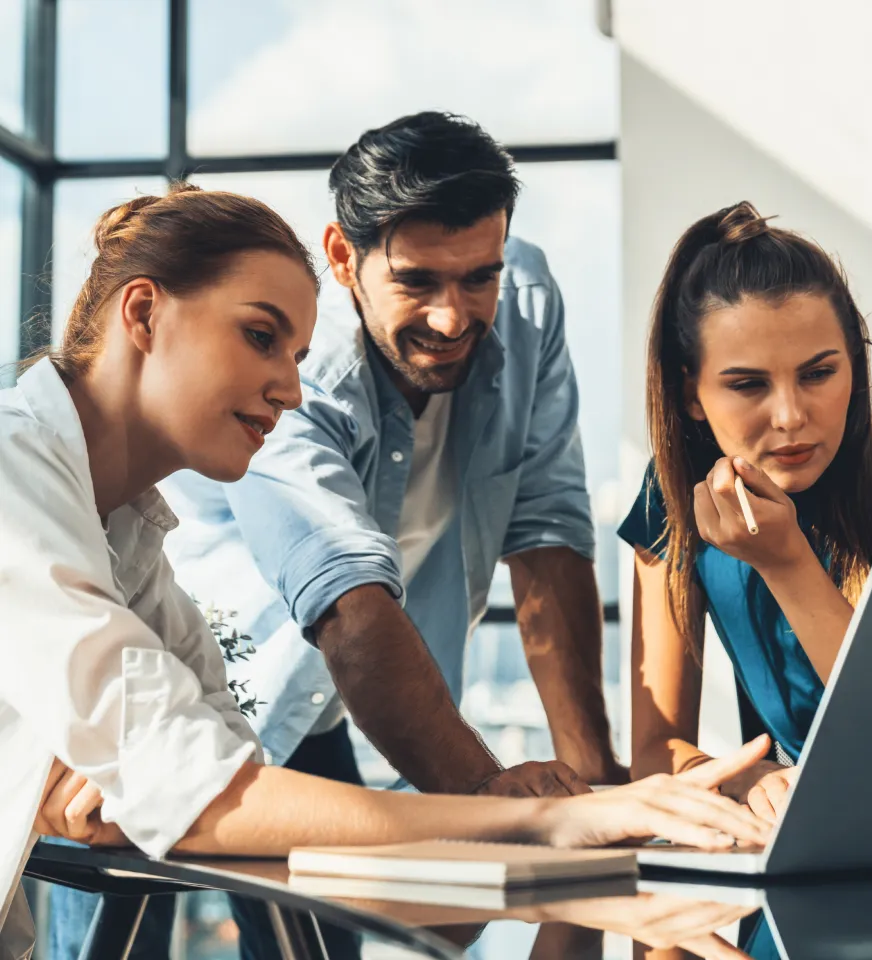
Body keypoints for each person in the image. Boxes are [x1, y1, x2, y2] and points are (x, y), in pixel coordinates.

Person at [0, 184, 773, 959]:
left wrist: (567, 884)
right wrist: (544, 825)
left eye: (299, 355)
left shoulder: (131, 549)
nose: (291, 389)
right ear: (143, 314)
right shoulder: (11, 484)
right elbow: (211, 805)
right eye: (260, 336)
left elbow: (256, 835)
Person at [161, 111, 626, 805]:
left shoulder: (526, 303)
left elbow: (546, 533)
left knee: (333, 915)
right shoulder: (299, 369)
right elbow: (346, 601)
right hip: (202, 673)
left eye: (478, 278)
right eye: (416, 282)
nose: (451, 317)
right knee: (118, 897)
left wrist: (596, 784)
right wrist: (485, 792)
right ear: (344, 259)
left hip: (355, 688)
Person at [622, 201, 872, 822]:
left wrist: (787, 563)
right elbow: (653, 748)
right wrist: (739, 777)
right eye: (748, 384)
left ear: (855, 367)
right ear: (688, 394)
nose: (790, 416)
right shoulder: (670, 497)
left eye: (819, 373)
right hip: (798, 849)